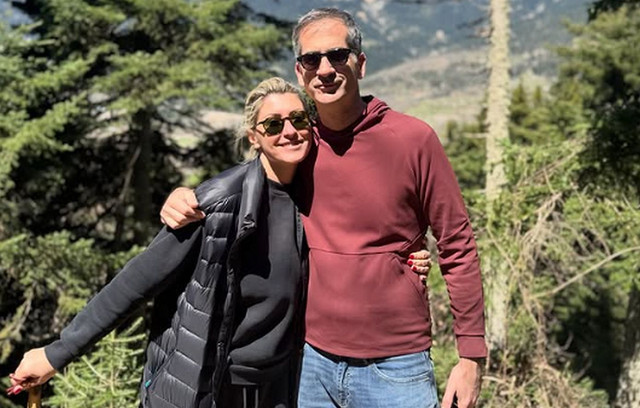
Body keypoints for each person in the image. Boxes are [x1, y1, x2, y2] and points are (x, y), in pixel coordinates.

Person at [161, 8, 485, 408]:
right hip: (310, 363)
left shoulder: (413, 140)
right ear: (301, 72)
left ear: (360, 63)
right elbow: (244, 187)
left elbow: (457, 244)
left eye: (337, 55)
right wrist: (185, 195)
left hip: (397, 366)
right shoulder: (297, 145)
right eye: (312, 59)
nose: (326, 69)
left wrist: (471, 356)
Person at [8, 77, 316, 408]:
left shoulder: (310, 193)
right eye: (273, 124)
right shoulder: (218, 203)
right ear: (254, 136)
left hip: (280, 385)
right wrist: (56, 353)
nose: (289, 131)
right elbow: (136, 281)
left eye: (298, 119)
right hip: (212, 387)